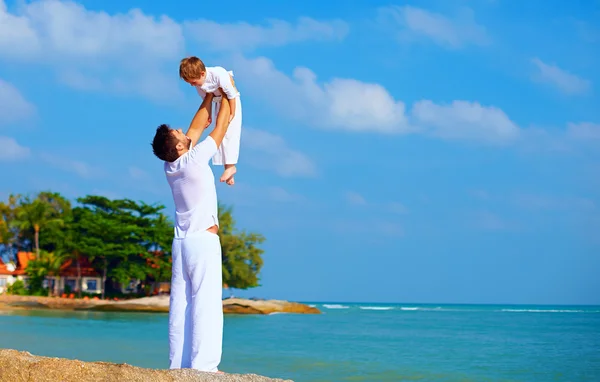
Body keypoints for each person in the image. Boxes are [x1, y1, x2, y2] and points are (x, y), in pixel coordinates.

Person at [151, 91, 231, 372]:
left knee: (181, 306)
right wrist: (228, 96)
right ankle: (204, 368)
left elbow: (197, 126)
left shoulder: (171, 165)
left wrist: (209, 97)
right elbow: (220, 127)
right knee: (205, 304)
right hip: (201, 243)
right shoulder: (194, 160)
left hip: (182, 243)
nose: (184, 130)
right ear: (182, 147)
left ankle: (179, 366)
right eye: (179, 133)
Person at [179, 56, 242, 186]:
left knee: (230, 133)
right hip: (218, 102)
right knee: (219, 134)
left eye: (194, 82)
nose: (192, 85)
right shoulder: (199, 83)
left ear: (202, 74)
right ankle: (228, 170)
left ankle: (230, 166)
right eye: (190, 83)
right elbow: (207, 100)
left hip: (231, 101)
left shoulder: (218, 74)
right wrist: (209, 117)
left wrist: (232, 113)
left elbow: (231, 94)